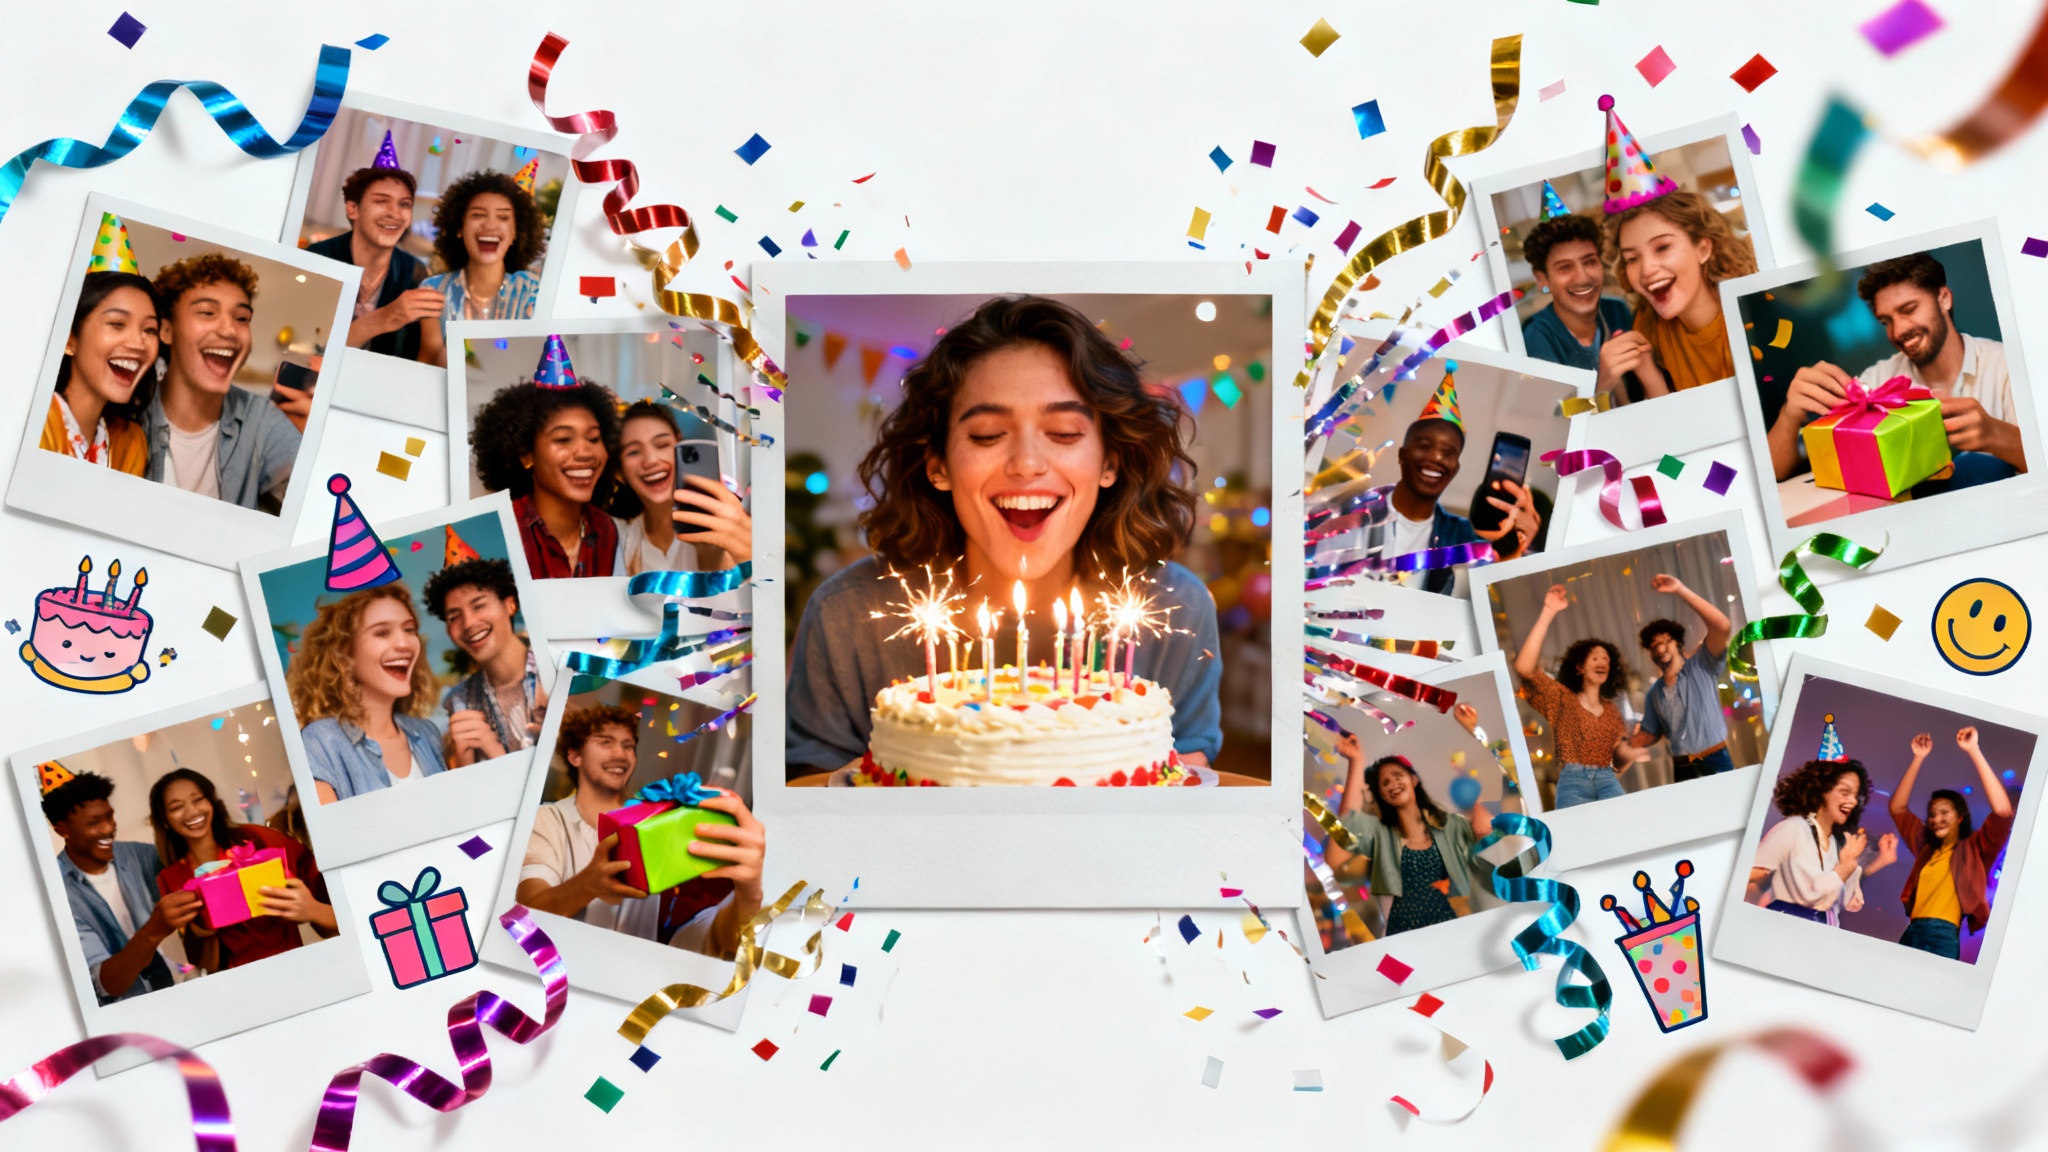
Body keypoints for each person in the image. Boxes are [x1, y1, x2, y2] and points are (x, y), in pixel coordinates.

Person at [784, 295, 1224, 777]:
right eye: (987, 435)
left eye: (1063, 432)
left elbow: (1186, 790)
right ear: (938, 466)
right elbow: (805, 795)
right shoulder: (849, 618)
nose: (1027, 465)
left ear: (1110, 462)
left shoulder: (1175, 608)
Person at [516, 704, 765, 958]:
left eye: (628, 745)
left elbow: (708, 935)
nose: (621, 755)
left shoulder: (656, 824)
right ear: (575, 756)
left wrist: (749, 896)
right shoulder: (545, 819)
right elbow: (526, 912)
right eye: (606, 742)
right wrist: (589, 885)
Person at [1766, 253, 2025, 488]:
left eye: (1909, 309)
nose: (1898, 331)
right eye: (1885, 321)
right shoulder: (1877, 381)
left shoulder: (2006, 365)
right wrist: (1789, 413)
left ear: (1944, 299)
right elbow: (1775, 472)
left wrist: (1995, 435)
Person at [144, 254, 302, 510]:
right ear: (166, 330)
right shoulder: (130, 415)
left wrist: (318, 447)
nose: (229, 330)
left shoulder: (261, 418)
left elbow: (312, 502)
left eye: (241, 318)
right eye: (207, 312)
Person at [1348, 387, 1540, 596]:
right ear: (1402, 455)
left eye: (1448, 452)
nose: (1437, 458)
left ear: (1455, 468)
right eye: (1425, 445)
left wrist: (1520, 547)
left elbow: (1493, 594)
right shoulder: (1354, 513)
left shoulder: (1463, 536)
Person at [1323, 708, 1497, 935]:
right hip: (1406, 952)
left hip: (1462, 938)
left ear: (1414, 780)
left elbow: (1491, 827)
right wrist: (1356, 762)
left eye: (1397, 776)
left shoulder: (1451, 829)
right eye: (1383, 783)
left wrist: (1473, 731)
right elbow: (1336, 853)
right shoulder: (1378, 847)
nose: (1392, 784)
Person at [148, 768, 335, 972]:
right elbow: (205, 966)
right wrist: (203, 928)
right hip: (239, 987)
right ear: (164, 820)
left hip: (298, 969)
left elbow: (335, 920)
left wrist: (312, 910)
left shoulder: (259, 839)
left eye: (198, 799)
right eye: (176, 807)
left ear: (211, 801)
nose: (192, 812)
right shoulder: (172, 879)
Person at [40, 768, 201, 1003]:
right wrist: (153, 930)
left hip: (171, 984)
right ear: (61, 828)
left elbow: (191, 868)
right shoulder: (56, 894)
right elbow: (108, 984)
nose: (108, 828)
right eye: (94, 822)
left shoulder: (137, 855)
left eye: (109, 816)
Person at [287, 583, 449, 802]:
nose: (404, 643)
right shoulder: (320, 741)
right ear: (345, 653)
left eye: (409, 629)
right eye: (382, 633)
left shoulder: (427, 733)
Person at [1595, 191, 1758, 401]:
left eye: (1662, 247)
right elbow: (1677, 424)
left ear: (1703, 249)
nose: (1646, 269)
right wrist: (1646, 370)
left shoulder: (1753, 319)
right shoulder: (1650, 325)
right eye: (1632, 258)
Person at [1512, 583, 1648, 808]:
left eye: (1606, 659)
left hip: (1606, 779)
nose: (1602, 662)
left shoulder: (1612, 711)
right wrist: (1548, 612)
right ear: (1579, 668)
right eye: (1595, 658)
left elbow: (1618, 766)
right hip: (1573, 781)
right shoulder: (1562, 699)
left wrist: (1633, 748)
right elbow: (1524, 669)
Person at [472, 379, 622, 579]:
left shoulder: (607, 529)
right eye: (563, 439)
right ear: (526, 454)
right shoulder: (497, 532)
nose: (585, 453)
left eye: (594, 438)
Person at [1887, 727, 2015, 960]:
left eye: (1944, 812)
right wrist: (1918, 758)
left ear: (1960, 817)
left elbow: (2003, 812)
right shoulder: (1927, 848)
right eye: (1932, 814)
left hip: (1943, 936)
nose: (1936, 819)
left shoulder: (1975, 848)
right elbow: (1897, 808)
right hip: (1912, 930)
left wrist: (1973, 750)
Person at [305, 163, 442, 361]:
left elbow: (425, 354)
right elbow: (305, 350)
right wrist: (386, 317)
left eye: (404, 204)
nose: (394, 214)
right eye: (381, 201)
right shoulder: (318, 260)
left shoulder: (415, 273)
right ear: (352, 209)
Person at [607, 400, 755, 575]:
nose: (651, 460)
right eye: (633, 452)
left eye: (662, 445)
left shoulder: (720, 523)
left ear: (680, 447)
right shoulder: (617, 539)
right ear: (619, 472)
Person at [418, 171, 547, 367]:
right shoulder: (432, 291)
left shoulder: (534, 292)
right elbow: (427, 366)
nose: (490, 225)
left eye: (503, 217)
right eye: (478, 215)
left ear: (516, 233)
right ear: (459, 227)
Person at [1749, 757, 1899, 926]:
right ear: (1821, 790)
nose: (1853, 801)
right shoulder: (1793, 828)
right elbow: (1751, 879)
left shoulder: (1836, 843)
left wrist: (1880, 861)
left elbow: (1842, 902)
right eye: (1845, 792)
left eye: (1856, 795)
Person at [424, 557, 543, 766]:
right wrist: (464, 762)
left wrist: (493, 750)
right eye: (454, 617)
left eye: (479, 606)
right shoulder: (460, 701)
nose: (469, 623)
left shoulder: (555, 666)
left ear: (510, 604)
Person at [43, 271, 161, 475]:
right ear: (69, 338)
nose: (138, 343)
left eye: (149, 330)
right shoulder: (35, 420)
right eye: (117, 324)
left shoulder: (132, 441)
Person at [1624, 574, 1735, 781]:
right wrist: (1624, 742)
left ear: (1678, 643)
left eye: (1665, 641)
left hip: (1716, 760)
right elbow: (1650, 733)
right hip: (1682, 768)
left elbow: (1722, 626)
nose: (1659, 648)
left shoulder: (1703, 664)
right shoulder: (1654, 694)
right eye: (1654, 646)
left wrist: (1680, 589)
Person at [1520, 213, 1634, 372]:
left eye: (1589, 262)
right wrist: (1605, 377)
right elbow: (1559, 398)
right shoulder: (1537, 337)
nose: (1582, 278)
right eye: (1565, 267)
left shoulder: (1617, 310)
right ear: (1542, 279)